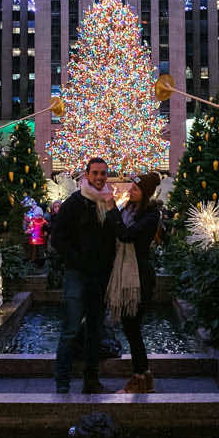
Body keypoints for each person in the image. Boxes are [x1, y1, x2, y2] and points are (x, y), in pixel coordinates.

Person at [51, 157, 117, 394]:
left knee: (96, 330)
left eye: (103, 174)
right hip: (77, 274)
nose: (100, 178)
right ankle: (62, 381)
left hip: (99, 277)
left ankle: (91, 381)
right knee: (70, 329)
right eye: (96, 173)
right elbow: (58, 238)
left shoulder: (109, 202)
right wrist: (77, 260)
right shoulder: (74, 202)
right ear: (87, 175)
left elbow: (115, 234)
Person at [104, 172, 161, 394]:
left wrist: (111, 210)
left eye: (135, 190)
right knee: (131, 329)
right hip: (128, 273)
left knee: (133, 329)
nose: (130, 191)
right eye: (131, 188)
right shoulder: (129, 210)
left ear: (145, 194)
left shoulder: (150, 215)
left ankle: (139, 378)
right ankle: (143, 376)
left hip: (139, 278)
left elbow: (126, 235)